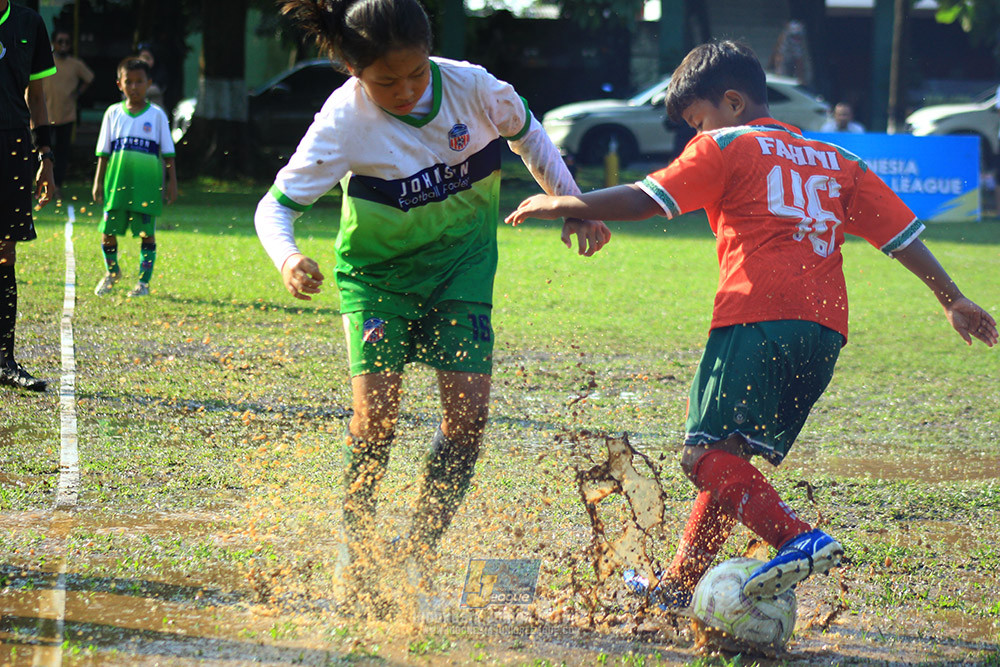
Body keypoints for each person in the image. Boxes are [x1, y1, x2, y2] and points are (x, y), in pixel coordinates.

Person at [505, 40, 998, 610]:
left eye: (697, 120)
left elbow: (647, 199)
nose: (696, 135)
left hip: (755, 314)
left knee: (701, 456)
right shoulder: (838, 159)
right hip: (824, 332)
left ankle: (798, 539)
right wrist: (952, 298)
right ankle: (679, 586)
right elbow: (901, 238)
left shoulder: (724, 145)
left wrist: (568, 203)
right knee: (730, 454)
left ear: (733, 102)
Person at [255, 0, 610, 611]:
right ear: (354, 71)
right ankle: (356, 551)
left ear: (429, 53)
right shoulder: (344, 119)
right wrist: (288, 258)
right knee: (377, 420)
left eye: (415, 74)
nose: (405, 90)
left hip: (461, 274)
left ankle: (419, 552)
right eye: (384, 81)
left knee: (468, 421)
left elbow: (530, 138)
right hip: (378, 280)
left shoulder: (475, 89)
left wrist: (572, 203)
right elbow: (275, 207)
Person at [0, 0, 57, 391]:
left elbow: (36, 96)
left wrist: (46, 158)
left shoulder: (29, 22)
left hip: (13, 146)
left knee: (5, 251)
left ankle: (4, 360)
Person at [92, 57, 178, 298]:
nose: (134, 87)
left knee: (146, 233)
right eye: (128, 82)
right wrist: (98, 182)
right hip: (116, 185)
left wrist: (172, 183)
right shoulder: (112, 113)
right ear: (119, 84)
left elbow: (169, 153)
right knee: (107, 231)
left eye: (139, 82)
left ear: (148, 83)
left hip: (146, 187)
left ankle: (143, 283)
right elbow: (103, 152)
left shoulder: (158, 115)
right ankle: (112, 273)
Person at [42, 27, 94, 200]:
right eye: (60, 42)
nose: (63, 45)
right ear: (53, 43)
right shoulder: (44, 60)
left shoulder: (75, 63)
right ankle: (42, 185)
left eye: (66, 42)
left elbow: (89, 78)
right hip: (45, 116)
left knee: (62, 154)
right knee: (43, 152)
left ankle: (57, 186)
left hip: (66, 115)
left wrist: (78, 94)